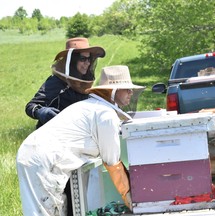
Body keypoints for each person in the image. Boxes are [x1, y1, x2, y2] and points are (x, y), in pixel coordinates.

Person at [16, 65, 145, 215]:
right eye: (126, 88)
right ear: (112, 91)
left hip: (35, 155)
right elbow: (112, 162)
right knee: (47, 211)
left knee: (50, 210)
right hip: (43, 161)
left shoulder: (91, 107)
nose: (131, 92)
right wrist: (129, 198)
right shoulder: (105, 115)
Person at [25, 37, 105, 129]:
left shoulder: (83, 83)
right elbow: (30, 106)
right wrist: (41, 112)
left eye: (89, 59)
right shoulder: (56, 82)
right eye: (82, 59)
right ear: (72, 61)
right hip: (51, 136)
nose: (87, 63)